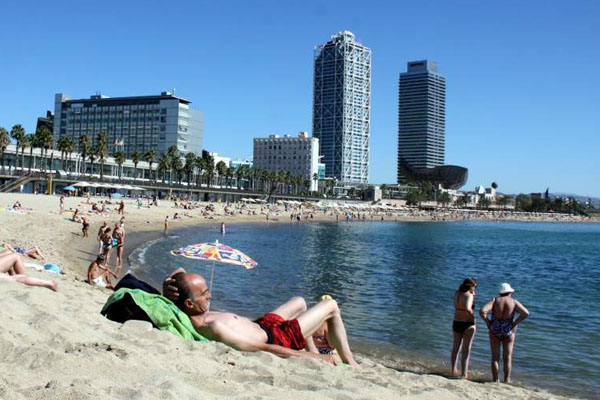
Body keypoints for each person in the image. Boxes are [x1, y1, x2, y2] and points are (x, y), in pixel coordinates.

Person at [162, 268, 359, 367]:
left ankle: (312, 345)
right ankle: (350, 361)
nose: (210, 295)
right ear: (189, 304)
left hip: (263, 325)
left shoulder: (192, 309)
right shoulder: (213, 326)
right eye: (205, 294)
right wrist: (315, 358)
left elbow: (180, 271)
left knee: (299, 301)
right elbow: (262, 348)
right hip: (276, 337)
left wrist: (167, 284)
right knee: (331, 305)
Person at [479, 283, 530, 383]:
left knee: (495, 357)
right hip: (508, 330)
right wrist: (515, 323)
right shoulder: (514, 302)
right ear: (510, 292)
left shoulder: (495, 300)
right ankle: (507, 380)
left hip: (495, 328)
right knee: (507, 358)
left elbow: (482, 311)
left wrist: (488, 322)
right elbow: (526, 313)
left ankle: (495, 380)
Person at [451, 277, 477, 378]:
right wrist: (473, 319)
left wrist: (472, 294)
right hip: (467, 323)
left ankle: (453, 370)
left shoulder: (457, 293)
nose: (475, 289)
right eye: (475, 286)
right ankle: (464, 374)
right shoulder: (469, 295)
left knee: (456, 348)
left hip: (456, 321)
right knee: (466, 349)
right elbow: (467, 308)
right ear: (471, 286)